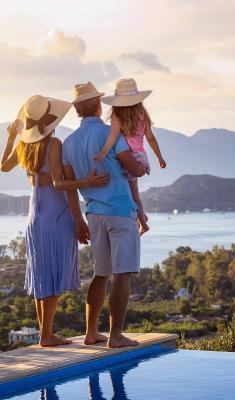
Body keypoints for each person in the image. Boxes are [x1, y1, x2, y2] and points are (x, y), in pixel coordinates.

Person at [0, 95, 109, 347]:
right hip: (55, 216)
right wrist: (86, 183)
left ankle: (44, 334)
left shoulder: (24, 147)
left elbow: (3, 167)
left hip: (34, 217)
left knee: (42, 275)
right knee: (53, 274)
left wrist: (10, 137)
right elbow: (61, 185)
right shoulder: (54, 144)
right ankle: (47, 335)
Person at [62, 81, 147, 348]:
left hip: (93, 214)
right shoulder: (111, 133)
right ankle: (115, 335)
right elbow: (132, 167)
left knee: (100, 274)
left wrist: (78, 219)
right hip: (120, 212)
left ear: (77, 110)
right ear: (100, 105)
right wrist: (142, 165)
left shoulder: (68, 143)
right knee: (122, 275)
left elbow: (70, 189)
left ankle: (90, 332)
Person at [94, 78, 166, 235]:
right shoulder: (142, 115)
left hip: (126, 158)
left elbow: (113, 136)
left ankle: (143, 223)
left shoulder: (117, 116)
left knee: (131, 194)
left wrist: (103, 153)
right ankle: (142, 216)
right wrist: (160, 158)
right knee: (134, 193)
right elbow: (151, 138)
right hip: (140, 157)